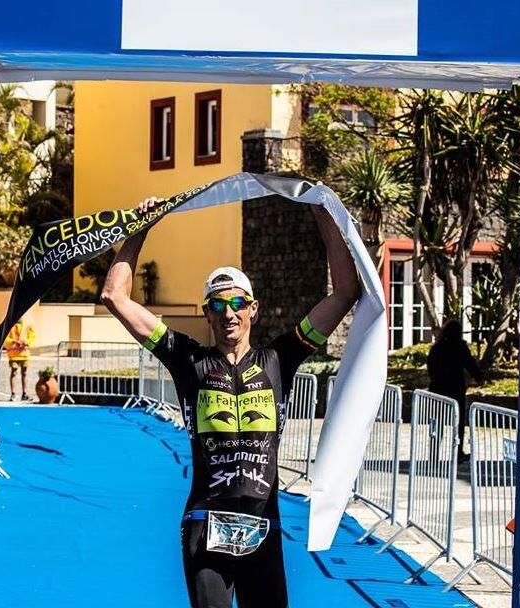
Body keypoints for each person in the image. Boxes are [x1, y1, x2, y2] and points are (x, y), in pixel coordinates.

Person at [101, 198, 359, 608]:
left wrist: (321, 212)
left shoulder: (279, 358)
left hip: (263, 526)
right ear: (207, 312)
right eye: (218, 305)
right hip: (206, 524)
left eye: (238, 303)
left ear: (253, 309)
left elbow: (346, 292)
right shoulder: (189, 360)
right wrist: (143, 226)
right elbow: (115, 296)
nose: (229, 313)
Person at [427, 319, 482, 463]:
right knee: (458, 423)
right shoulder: (460, 347)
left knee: (436, 424)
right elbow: (470, 364)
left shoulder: (436, 348)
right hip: (455, 390)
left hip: (438, 390)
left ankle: (433, 455)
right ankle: (458, 453)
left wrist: (434, 380)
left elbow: (430, 368)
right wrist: (479, 377)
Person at [4, 317, 36, 401]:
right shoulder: (10, 325)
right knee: (14, 373)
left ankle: (24, 394)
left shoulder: (27, 324)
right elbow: (5, 338)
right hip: (14, 354)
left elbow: (32, 337)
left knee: (24, 373)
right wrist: (14, 341)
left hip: (24, 353)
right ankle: (13, 394)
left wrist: (26, 342)